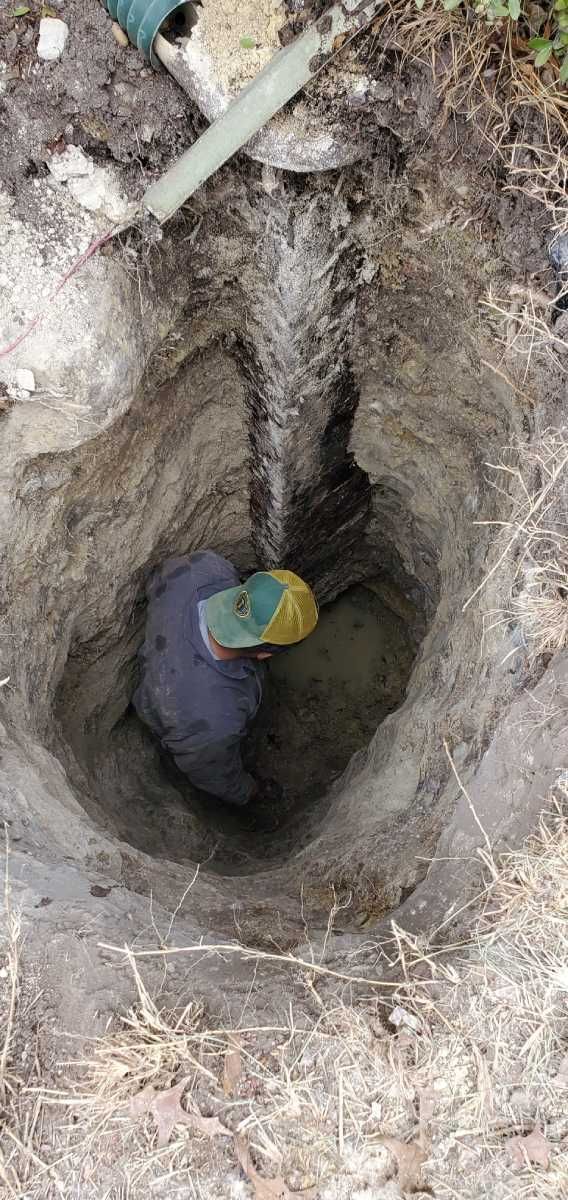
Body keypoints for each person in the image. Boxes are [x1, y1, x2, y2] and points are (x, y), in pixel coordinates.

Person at [133, 550, 318, 807]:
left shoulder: (203, 568)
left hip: (165, 670)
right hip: (175, 711)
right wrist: (250, 792)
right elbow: (212, 775)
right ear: (264, 654)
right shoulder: (212, 720)